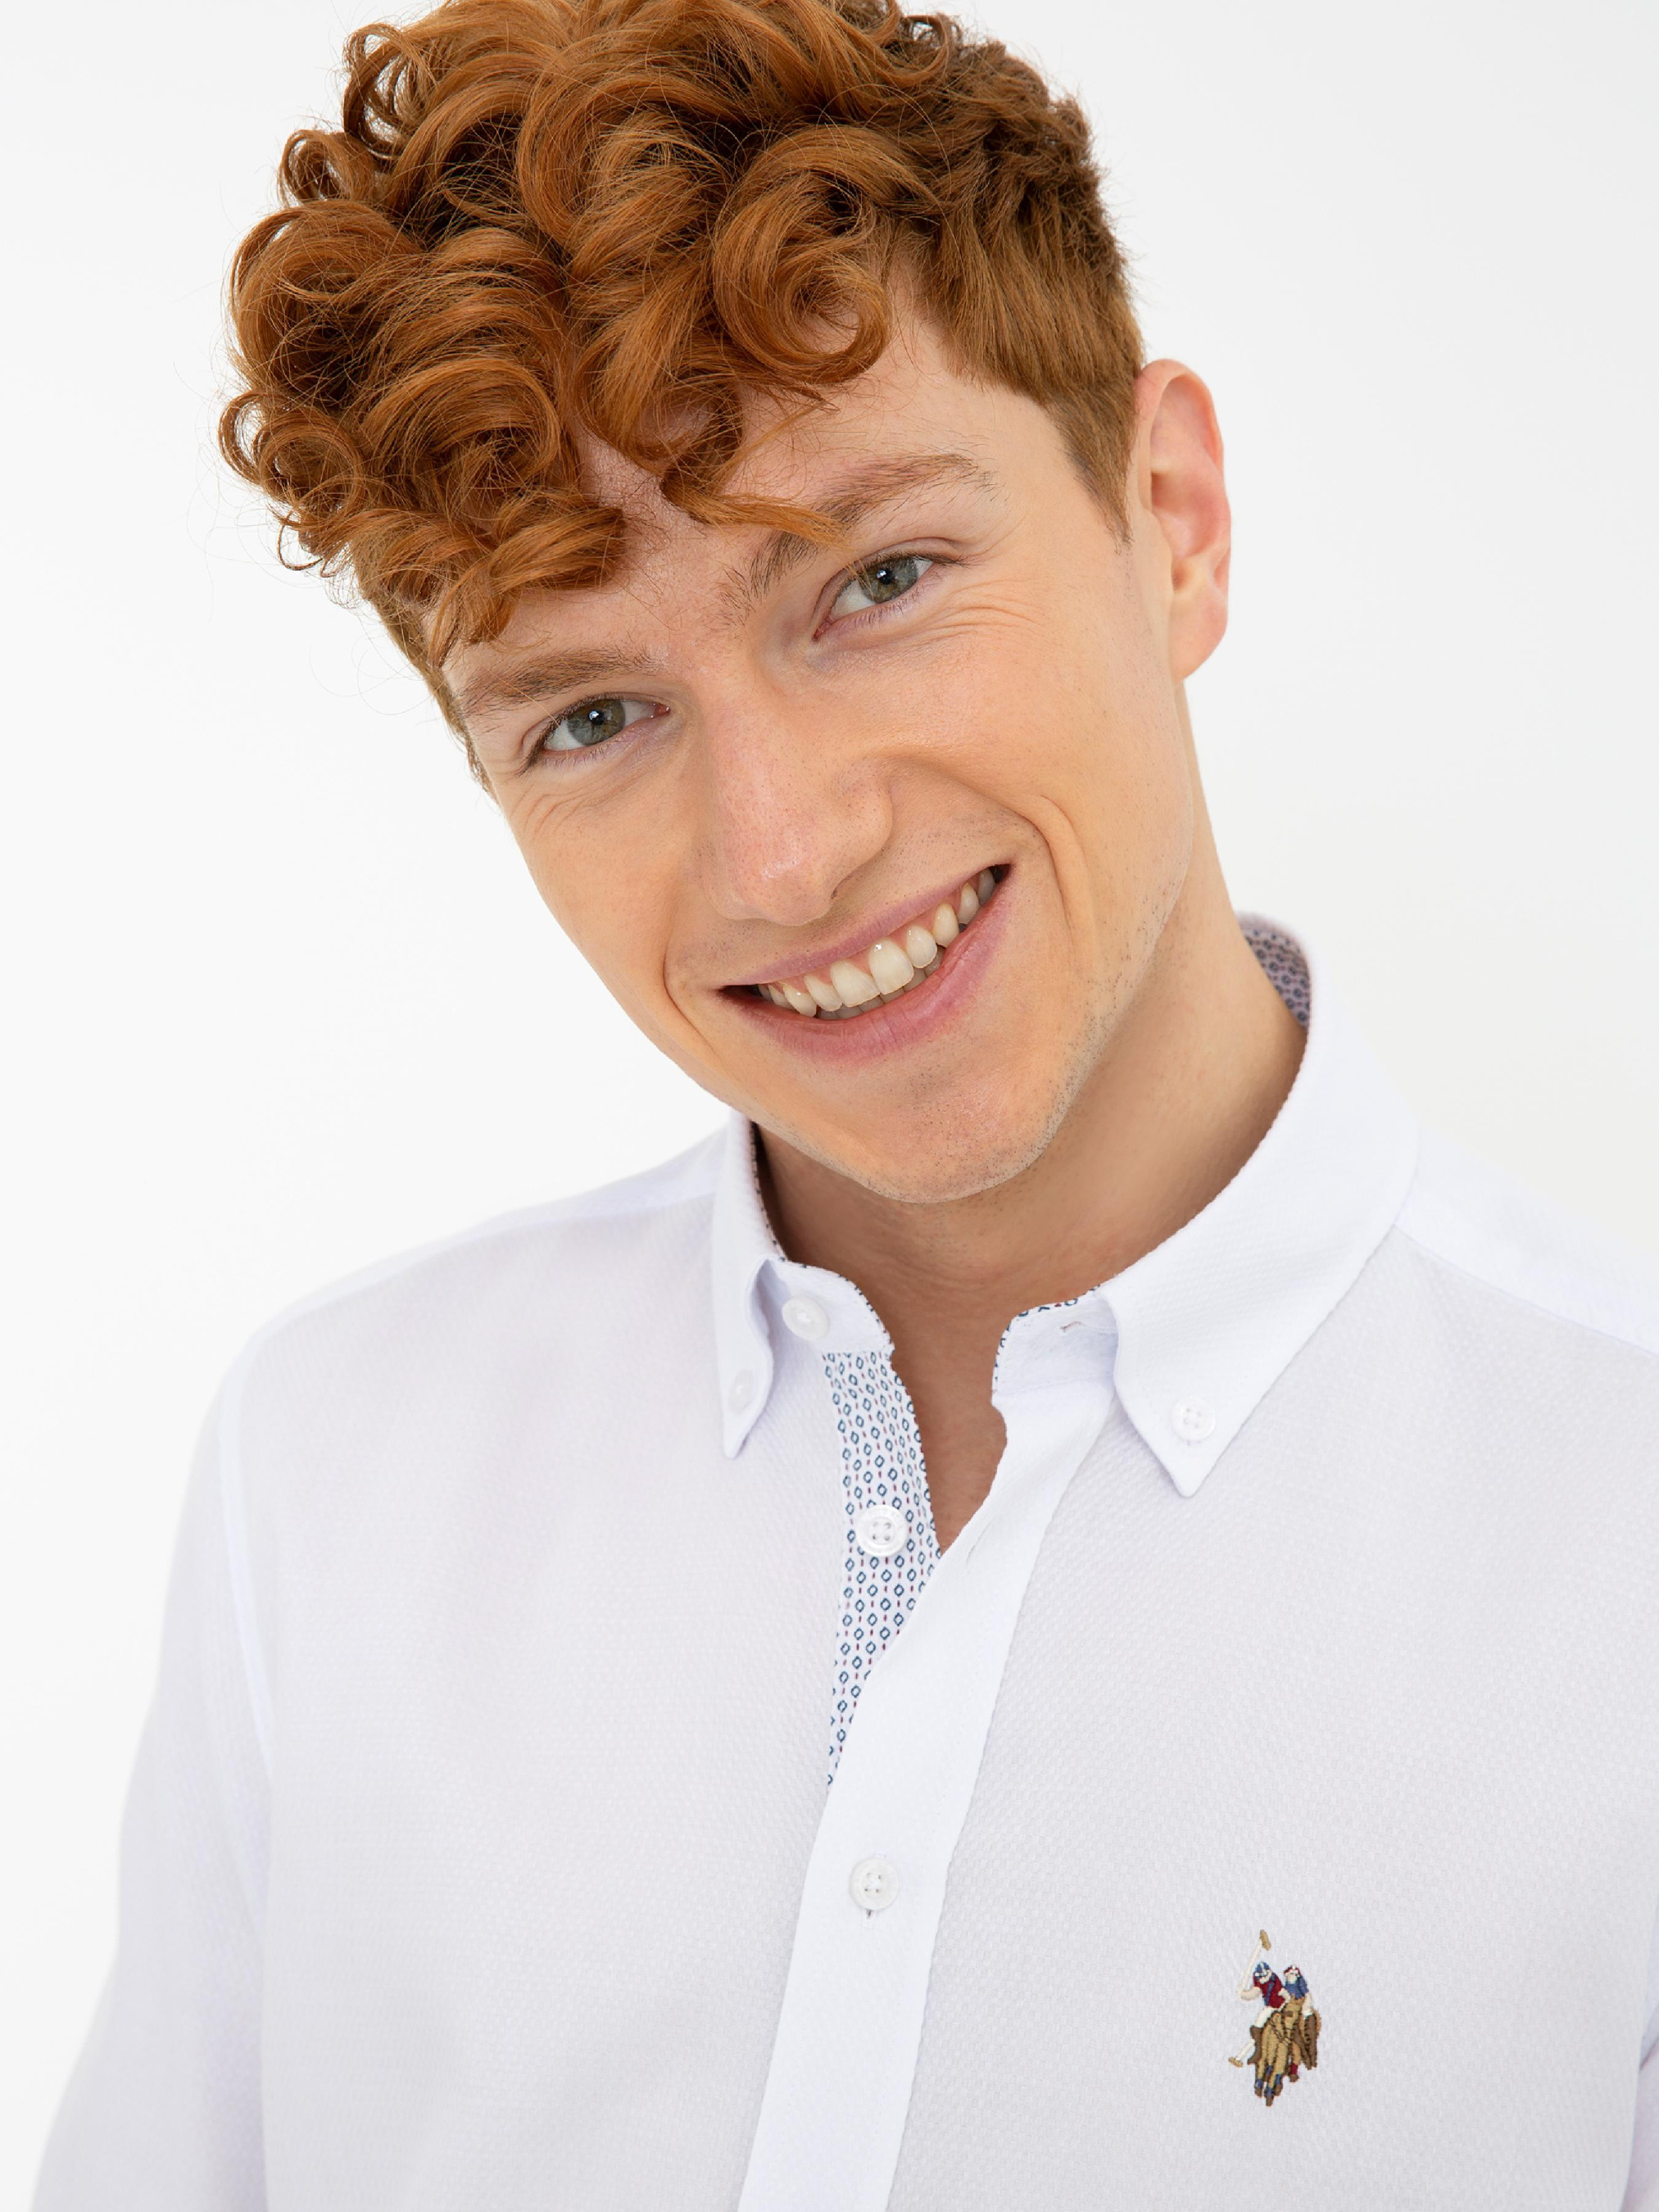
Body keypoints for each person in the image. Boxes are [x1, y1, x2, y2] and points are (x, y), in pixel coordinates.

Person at [33, 0, 1659, 2204]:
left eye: (876, 582)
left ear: (1169, 520)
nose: (785, 857)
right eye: (588, 717)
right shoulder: (324, 1480)